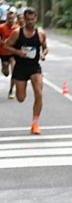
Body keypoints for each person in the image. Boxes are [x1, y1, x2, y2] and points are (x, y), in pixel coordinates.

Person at [4, 7, 47, 135]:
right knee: (21, 98)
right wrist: (18, 52)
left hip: (34, 67)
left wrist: (43, 54)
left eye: (32, 19)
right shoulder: (17, 33)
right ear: (24, 19)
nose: (30, 22)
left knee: (39, 93)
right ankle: (21, 87)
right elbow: (6, 46)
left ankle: (35, 123)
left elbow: (45, 48)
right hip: (21, 67)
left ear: (36, 19)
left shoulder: (41, 34)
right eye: (27, 19)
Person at [0, 7, 20, 98]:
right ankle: (4, 68)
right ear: (6, 18)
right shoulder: (1, 27)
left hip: (13, 52)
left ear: (15, 19)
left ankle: (11, 91)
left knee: (15, 70)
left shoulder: (17, 28)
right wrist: (4, 42)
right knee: (6, 73)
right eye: (9, 18)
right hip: (3, 52)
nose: (11, 20)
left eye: (12, 18)